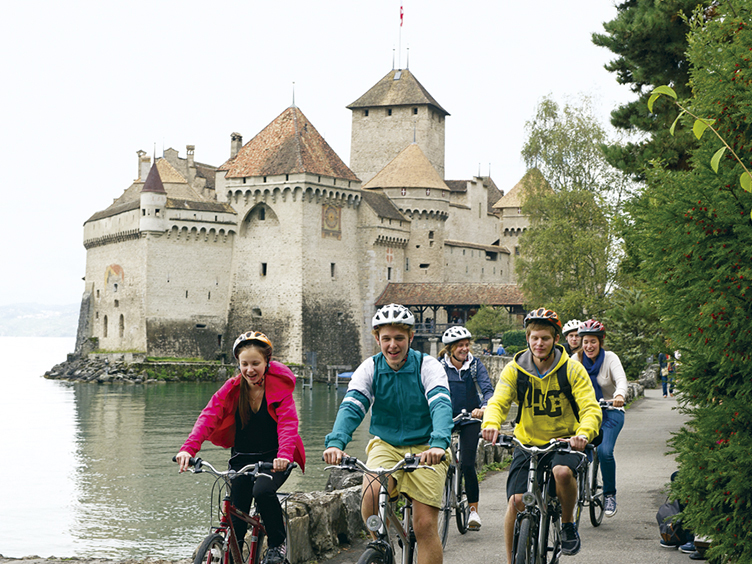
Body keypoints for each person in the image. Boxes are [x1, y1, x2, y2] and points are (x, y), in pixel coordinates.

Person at [323, 303, 453, 564]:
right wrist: (337, 442)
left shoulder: (427, 366)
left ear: (410, 338)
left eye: (399, 338)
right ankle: (380, 546)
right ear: (377, 339)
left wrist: (439, 443)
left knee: (425, 525)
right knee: (371, 494)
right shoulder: (370, 368)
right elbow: (353, 406)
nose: (393, 345)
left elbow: (440, 403)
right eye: (386, 339)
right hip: (387, 444)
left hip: (426, 446)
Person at [481, 308, 602, 561]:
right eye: (534, 337)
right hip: (528, 443)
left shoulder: (572, 369)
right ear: (528, 338)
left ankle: (567, 524)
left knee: (562, 472)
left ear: (556, 339)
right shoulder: (515, 370)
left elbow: (590, 408)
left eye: (545, 338)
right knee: (515, 503)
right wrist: (491, 423)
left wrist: (583, 433)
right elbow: (498, 401)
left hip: (565, 443)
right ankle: (511, 559)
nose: (539, 343)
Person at [175, 331, 306, 564]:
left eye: (255, 363)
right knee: (235, 522)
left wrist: (284, 455)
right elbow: (209, 415)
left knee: (262, 491)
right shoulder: (233, 388)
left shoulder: (279, 391)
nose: (249, 370)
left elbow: (288, 425)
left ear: (267, 362)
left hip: (274, 459)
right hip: (241, 459)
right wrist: (189, 449)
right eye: (244, 364)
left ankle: (278, 544)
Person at [570, 319, 628, 518]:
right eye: (585, 341)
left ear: (600, 342)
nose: (589, 346)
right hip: (585, 413)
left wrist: (619, 396)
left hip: (611, 411)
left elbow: (621, 380)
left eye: (593, 341)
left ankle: (609, 495)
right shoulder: (575, 360)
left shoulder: (610, 358)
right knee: (572, 448)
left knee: (604, 451)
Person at [438, 326, 494, 530]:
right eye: (460, 345)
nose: (465, 349)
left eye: (466, 345)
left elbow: (487, 389)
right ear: (450, 349)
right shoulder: (439, 367)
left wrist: (484, 407)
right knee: (437, 459)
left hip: (470, 417)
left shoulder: (474, 365)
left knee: (468, 464)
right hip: (445, 417)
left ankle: (473, 511)